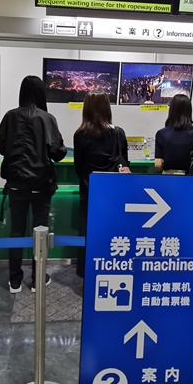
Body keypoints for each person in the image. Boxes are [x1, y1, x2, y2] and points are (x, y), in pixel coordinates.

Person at [0, 76, 67, 293]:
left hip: (16, 184)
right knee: (41, 232)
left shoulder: (10, 116)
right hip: (41, 185)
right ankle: (38, 278)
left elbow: (1, 148)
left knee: (16, 232)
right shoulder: (47, 118)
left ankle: (15, 280)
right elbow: (58, 153)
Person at [73, 90, 129, 277]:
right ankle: (111, 270)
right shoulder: (118, 133)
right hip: (114, 194)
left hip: (90, 192)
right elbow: (124, 163)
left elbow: (78, 167)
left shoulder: (80, 134)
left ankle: (86, 272)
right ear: (107, 107)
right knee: (112, 234)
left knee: (89, 234)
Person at [154, 94, 193, 174]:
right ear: (189, 110)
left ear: (171, 110)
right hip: (192, 177)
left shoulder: (162, 133)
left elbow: (158, 164)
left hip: (170, 177)